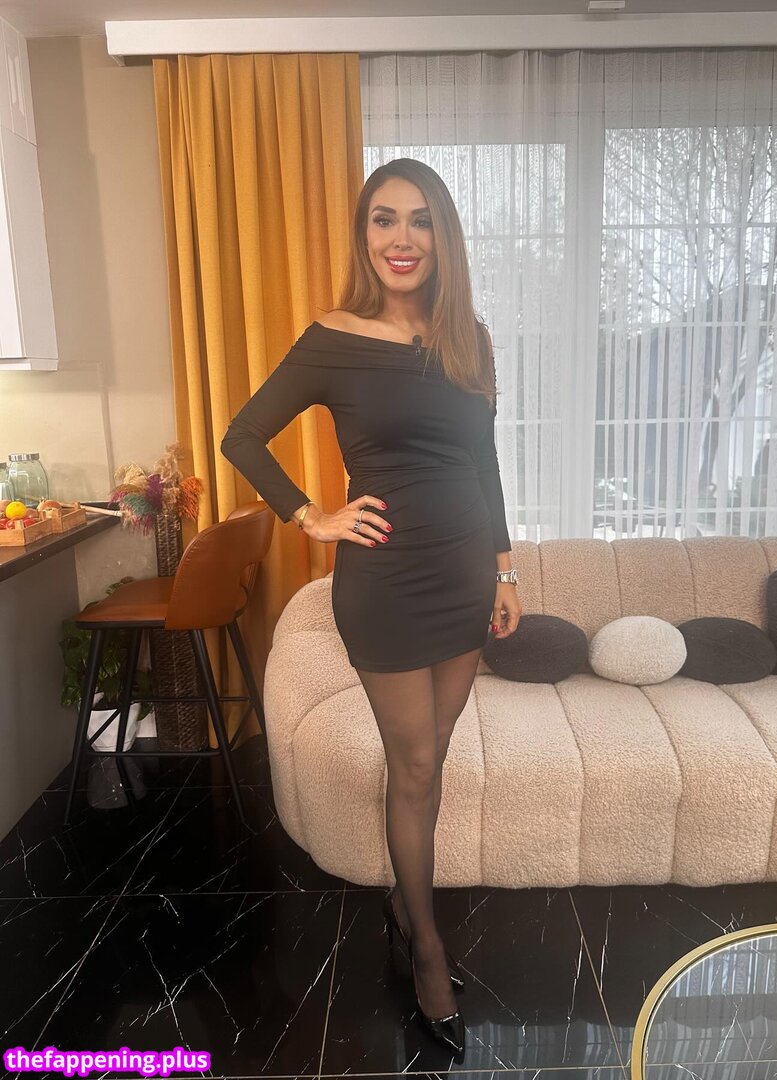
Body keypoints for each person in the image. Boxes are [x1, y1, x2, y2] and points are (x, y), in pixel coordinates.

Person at [220, 157, 521, 1058]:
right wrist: (310, 515)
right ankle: (424, 945)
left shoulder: (469, 339)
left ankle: (402, 902)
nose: (401, 238)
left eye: (420, 220)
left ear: (442, 236)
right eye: (383, 219)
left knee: (433, 754)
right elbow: (243, 434)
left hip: (464, 572)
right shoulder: (333, 337)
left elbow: (485, 461)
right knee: (416, 761)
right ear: (364, 236)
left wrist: (504, 569)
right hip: (385, 579)